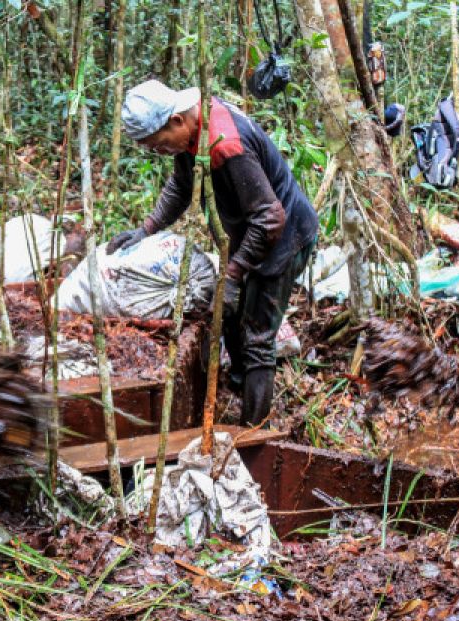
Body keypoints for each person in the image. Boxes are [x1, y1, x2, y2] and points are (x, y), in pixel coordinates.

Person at [110, 79, 320, 426]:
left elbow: (270, 218)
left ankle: (254, 431)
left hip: (285, 238)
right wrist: (146, 229)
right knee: (232, 316)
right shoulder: (191, 134)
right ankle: (239, 386)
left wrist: (235, 272)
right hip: (250, 232)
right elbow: (181, 185)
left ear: (177, 121)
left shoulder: (225, 145)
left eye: (159, 144)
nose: (159, 152)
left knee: (258, 337)